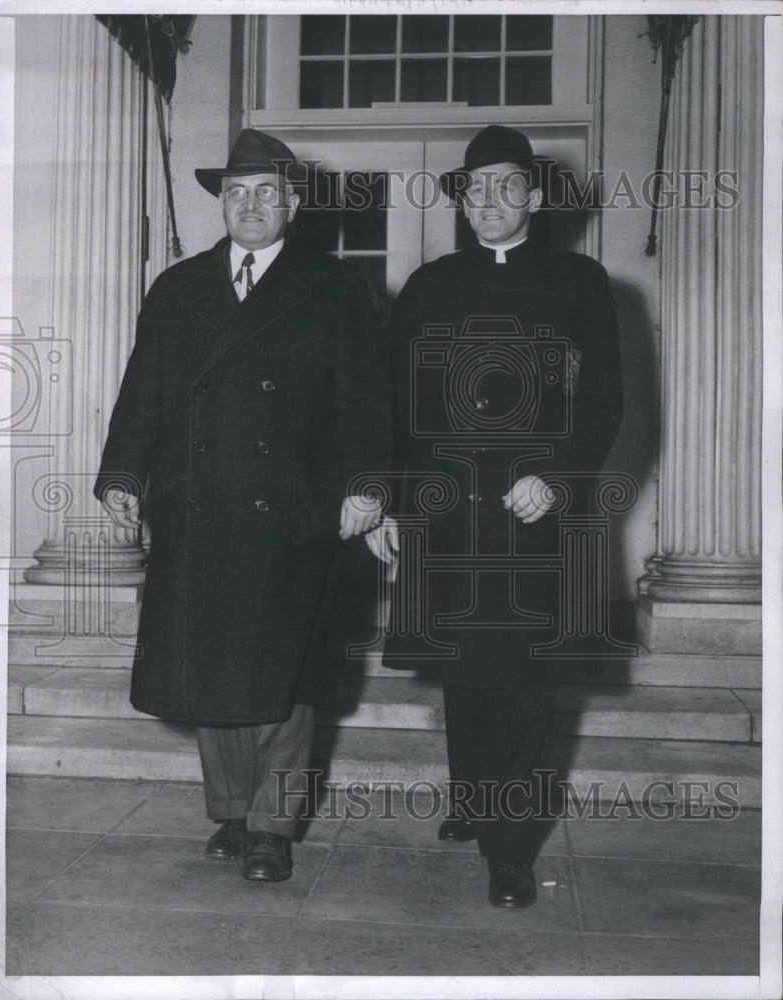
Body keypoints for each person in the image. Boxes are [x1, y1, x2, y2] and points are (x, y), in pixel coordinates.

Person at [95, 128, 392, 883]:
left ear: (292, 204)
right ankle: (231, 807)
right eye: (236, 193)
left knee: (282, 675)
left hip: (294, 509)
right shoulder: (177, 286)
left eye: (266, 193)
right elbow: (142, 398)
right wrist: (123, 477)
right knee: (213, 666)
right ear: (221, 204)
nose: (250, 205)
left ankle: (273, 825)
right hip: (198, 504)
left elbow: (368, 402)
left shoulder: (333, 288)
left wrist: (367, 484)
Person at [370, 125, 623, 908]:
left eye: (507, 186)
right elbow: (393, 406)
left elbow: (606, 399)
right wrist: (385, 497)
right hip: (447, 511)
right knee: (466, 674)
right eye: (474, 188)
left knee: (522, 682)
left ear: (536, 197)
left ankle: (509, 851)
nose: (488, 202)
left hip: (534, 513)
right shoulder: (431, 284)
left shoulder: (581, 281)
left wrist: (559, 477)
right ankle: (474, 799)